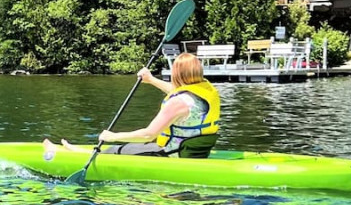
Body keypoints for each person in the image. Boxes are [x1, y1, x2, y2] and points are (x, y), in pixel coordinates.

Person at [44, 52, 221, 159]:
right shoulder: (201, 92)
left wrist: (113, 136)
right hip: (194, 151)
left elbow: (148, 135)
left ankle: (67, 153)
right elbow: (176, 91)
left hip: (171, 153)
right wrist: (151, 80)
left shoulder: (177, 103)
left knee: (115, 150)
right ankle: (76, 150)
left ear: (176, 74)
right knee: (122, 148)